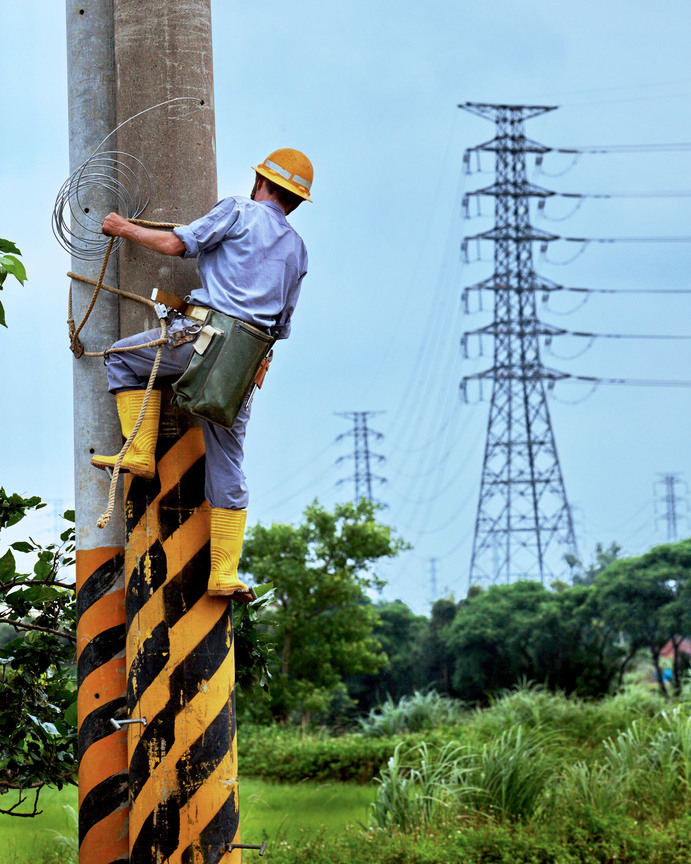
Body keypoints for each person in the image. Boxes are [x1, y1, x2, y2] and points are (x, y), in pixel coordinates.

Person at [90, 148, 312, 602]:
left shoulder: (237, 210)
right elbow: (282, 326)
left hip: (206, 339)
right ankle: (224, 573)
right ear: (294, 202)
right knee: (228, 459)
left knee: (119, 357)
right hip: (247, 364)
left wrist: (121, 227)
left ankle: (140, 451)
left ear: (260, 183)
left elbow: (177, 244)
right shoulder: (297, 249)